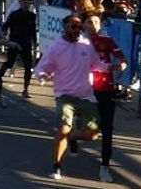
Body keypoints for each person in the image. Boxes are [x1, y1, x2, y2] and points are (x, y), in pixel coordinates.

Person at [34, 14, 107, 180]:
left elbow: (96, 64)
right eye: (73, 27)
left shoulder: (86, 44)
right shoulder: (56, 47)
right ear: (64, 27)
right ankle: (57, 165)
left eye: (80, 27)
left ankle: (72, 137)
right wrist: (43, 76)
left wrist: (111, 67)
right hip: (64, 94)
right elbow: (42, 67)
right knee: (63, 128)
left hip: (86, 95)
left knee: (93, 135)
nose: (78, 30)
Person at [83, 15, 127, 183]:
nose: (93, 25)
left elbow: (121, 58)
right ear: (84, 25)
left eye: (96, 22)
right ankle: (71, 139)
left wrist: (122, 64)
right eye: (89, 22)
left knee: (107, 128)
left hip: (106, 88)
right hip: (85, 89)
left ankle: (105, 167)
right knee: (88, 128)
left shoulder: (106, 40)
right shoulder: (78, 42)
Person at [1, 0, 38, 95]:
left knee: (28, 66)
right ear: (20, 2)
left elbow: (33, 29)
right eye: (24, 3)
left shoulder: (32, 16)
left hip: (26, 43)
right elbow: (6, 26)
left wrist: (34, 42)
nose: (26, 5)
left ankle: (26, 89)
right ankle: (0, 74)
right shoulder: (14, 14)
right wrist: (2, 34)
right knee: (10, 63)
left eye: (28, 3)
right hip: (14, 41)